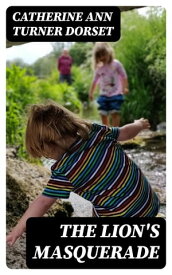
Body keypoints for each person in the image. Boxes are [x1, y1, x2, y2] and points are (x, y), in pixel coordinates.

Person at [6, 102, 160, 246]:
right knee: (100, 202)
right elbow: (125, 132)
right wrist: (139, 124)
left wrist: (17, 230)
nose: (46, 157)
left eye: (43, 152)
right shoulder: (96, 132)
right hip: (149, 204)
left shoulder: (64, 170)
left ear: (49, 143)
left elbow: (43, 202)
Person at [89, 42, 129, 127]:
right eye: (99, 56)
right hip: (103, 94)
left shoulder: (116, 64)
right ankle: (106, 132)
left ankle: (115, 132)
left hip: (116, 93)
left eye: (104, 54)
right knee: (103, 113)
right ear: (96, 58)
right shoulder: (99, 68)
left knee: (115, 112)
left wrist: (125, 87)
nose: (102, 57)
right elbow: (95, 80)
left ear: (109, 52)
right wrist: (91, 93)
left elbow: (124, 75)